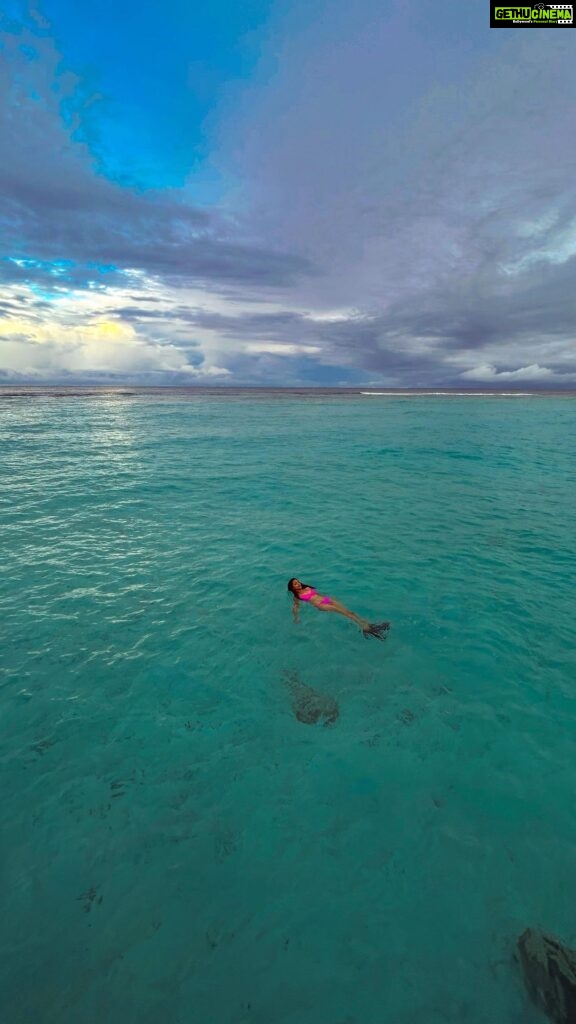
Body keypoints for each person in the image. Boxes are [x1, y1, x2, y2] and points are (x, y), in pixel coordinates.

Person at [287, 578, 390, 641]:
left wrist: (329, 599)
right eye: (295, 584)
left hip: (325, 600)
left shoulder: (307, 588)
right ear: (292, 588)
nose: (298, 583)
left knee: (349, 612)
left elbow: (319, 594)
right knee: (345, 614)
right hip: (320, 605)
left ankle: (365, 624)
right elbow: (296, 606)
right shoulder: (297, 596)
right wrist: (296, 617)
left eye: (298, 582)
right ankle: (364, 627)